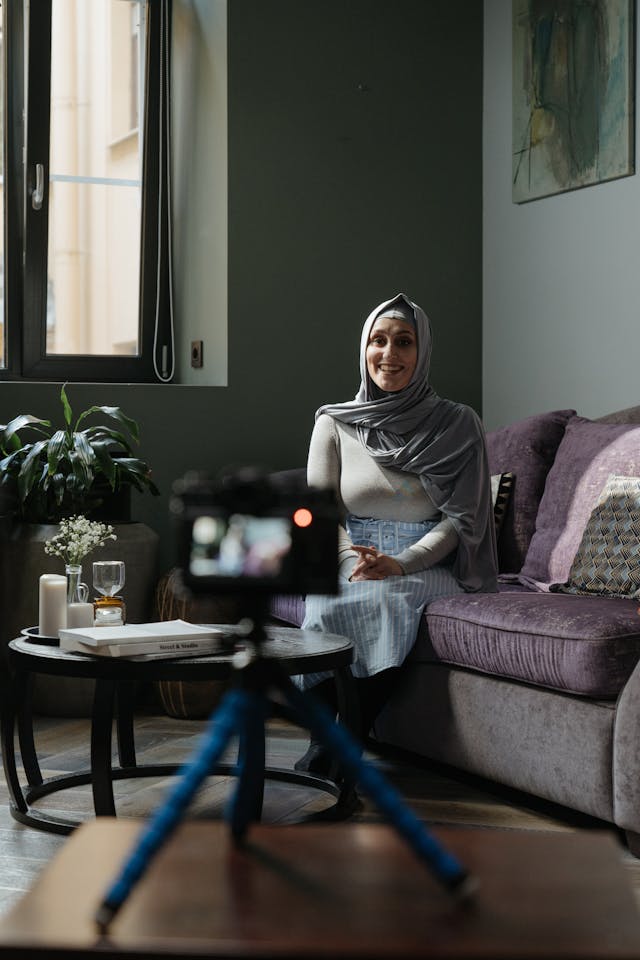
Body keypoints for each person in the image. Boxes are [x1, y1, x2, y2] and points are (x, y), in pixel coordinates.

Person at [295, 293, 498, 775]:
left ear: (422, 351)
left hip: (427, 558)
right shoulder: (334, 423)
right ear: (364, 350)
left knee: (388, 599)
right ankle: (325, 738)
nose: (390, 354)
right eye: (378, 341)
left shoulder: (458, 423)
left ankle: (345, 745)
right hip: (350, 552)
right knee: (328, 602)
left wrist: (401, 562)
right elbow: (320, 514)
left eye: (404, 342)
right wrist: (351, 562)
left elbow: (462, 521)